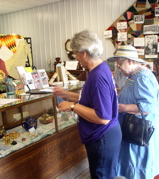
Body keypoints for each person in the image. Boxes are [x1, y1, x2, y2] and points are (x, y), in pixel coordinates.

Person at [53, 29, 122, 179]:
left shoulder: (98, 77)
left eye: (75, 54)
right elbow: (92, 98)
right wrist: (66, 94)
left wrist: (72, 106)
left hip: (103, 137)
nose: (76, 58)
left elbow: (103, 117)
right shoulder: (100, 68)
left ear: (84, 53)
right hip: (105, 136)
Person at [107, 45, 159, 179]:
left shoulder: (142, 77)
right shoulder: (134, 75)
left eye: (120, 63)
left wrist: (123, 108)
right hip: (133, 127)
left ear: (130, 61)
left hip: (138, 130)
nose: (117, 66)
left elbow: (148, 107)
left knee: (137, 164)